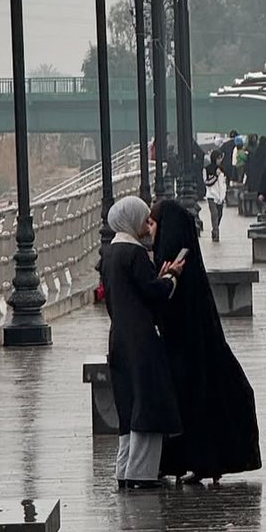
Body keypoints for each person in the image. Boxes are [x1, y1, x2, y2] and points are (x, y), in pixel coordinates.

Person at [150, 199, 261, 483]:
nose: (149, 231)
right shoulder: (187, 269)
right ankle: (202, 463)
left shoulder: (171, 263)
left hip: (181, 354)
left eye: (152, 224)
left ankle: (187, 462)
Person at [102, 195, 186, 491]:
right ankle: (142, 473)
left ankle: (124, 469)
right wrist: (172, 277)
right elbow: (152, 293)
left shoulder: (110, 253)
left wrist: (156, 277)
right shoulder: (135, 253)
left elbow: (130, 291)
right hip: (141, 338)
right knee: (147, 403)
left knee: (128, 405)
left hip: (119, 337)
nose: (146, 222)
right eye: (143, 217)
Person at [204, 148, 227, 242]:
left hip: (220, 197)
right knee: (214, 214)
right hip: (211, 196)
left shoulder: (222, 169)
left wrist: (223, 196)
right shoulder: (207, 169)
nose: (220, 160)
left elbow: (223, 183)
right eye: (218, 158)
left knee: (219, 215)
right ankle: (216, 233)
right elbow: (207, 182)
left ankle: (215, 229)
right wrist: (215, 176)